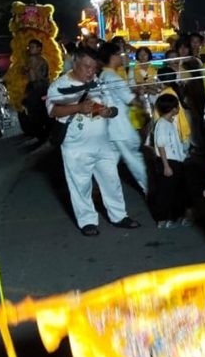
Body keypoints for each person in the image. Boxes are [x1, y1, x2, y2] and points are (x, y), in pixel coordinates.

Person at [46, 47, 140, 236]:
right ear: (75, 63)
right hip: (76, 146)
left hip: (103, 143)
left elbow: (113, 108)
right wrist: (78, 107)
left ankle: (119, 216)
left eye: (94, 68)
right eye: (86, 67)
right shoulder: (60, 84)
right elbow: (53, 111)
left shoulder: (98, 82)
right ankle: (87, 221)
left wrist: (107, 112)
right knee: (80, 185)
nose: (90, 71)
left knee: (112, 181)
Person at [97, 43, 148, 195]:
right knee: (136, 162)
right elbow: (130, 100)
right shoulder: (113, 77)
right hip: (121, 128)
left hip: (111, 128)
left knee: (109, 163)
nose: (122, 57)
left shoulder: (103, 75)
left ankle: (105, 193)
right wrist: (142, 99)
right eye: (120, 54)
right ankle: (152, 191)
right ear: (113, 56)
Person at [149, 93, 190, 228]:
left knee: (178, 190)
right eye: (177, 106)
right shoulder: (162, 124)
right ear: (173, 109)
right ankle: (162, 220)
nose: (178, 108)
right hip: (168, 162)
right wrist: (166, 166)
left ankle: (177, 216)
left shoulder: (170, 122)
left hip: (176, 161)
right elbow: (161, 146)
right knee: (166, 192)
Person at [21, 39, 51, 140]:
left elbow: (34, 76)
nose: (30, 49)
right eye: (29, 47)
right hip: (36, 88)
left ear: (39, 48)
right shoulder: (32, 59)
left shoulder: (38, 60)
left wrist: (29, 69)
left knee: (38, 112)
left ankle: (42, 134)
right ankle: (42, 134)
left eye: (33, 47)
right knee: (38, 112)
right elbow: (25, 73)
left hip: (39, 88)